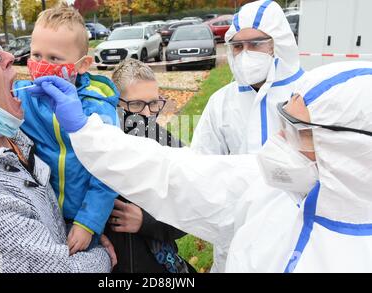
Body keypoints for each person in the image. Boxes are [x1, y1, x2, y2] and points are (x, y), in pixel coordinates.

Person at [29, 60, 372, 272]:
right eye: (284, 121)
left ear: (351, 148)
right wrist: (87, 132)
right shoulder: (271, 192)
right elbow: (173, 174)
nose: (279, 139)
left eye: (299, 132)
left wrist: (146, 222)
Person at [0, 3, 119, 255]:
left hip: (84, 214)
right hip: (45, 213)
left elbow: (108, 172)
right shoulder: (26, 96)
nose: (41, 65)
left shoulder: (97, 111)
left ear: (82, 65)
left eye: (54, 58)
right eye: (36, 55)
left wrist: (89, 223)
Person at [190, 0, 305, 272]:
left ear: (278, 43)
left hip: (294, 231)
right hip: (236, 230)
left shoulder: (306, 94)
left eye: (256, 44)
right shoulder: (222, 102)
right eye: (238, 46)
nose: (245, 54)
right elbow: (200, 164)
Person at [105, 58, 194, 273]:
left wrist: (147, 222)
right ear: (114, 104)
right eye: (136, 105)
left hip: (157, 266)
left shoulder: (171, 147)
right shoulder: (96, 147)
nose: (147, 114)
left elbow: (192, 211)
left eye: (153, 104)